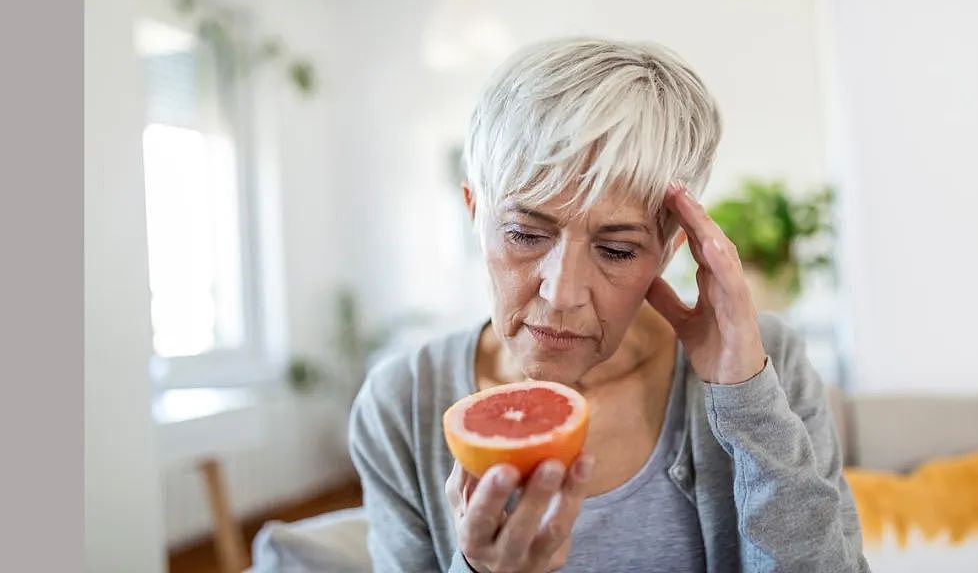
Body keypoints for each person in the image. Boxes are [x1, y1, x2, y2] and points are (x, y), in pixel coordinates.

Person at [350, 37, 869, 573]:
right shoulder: (402, 405)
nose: (563, 292)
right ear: (474, 212)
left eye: (617, 250)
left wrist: (747, 401)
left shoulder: (764, 363)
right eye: (526, 235)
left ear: (670, 248)